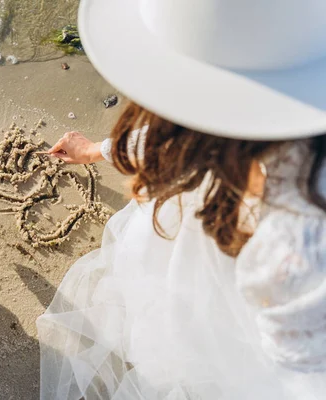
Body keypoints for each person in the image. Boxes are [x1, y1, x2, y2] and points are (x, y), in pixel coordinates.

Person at [37, 0, 326, 399]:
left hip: (238, 308)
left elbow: (301, 379)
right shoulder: (206, 140)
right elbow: (174, 142)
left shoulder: (301, 249)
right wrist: (95, 151)